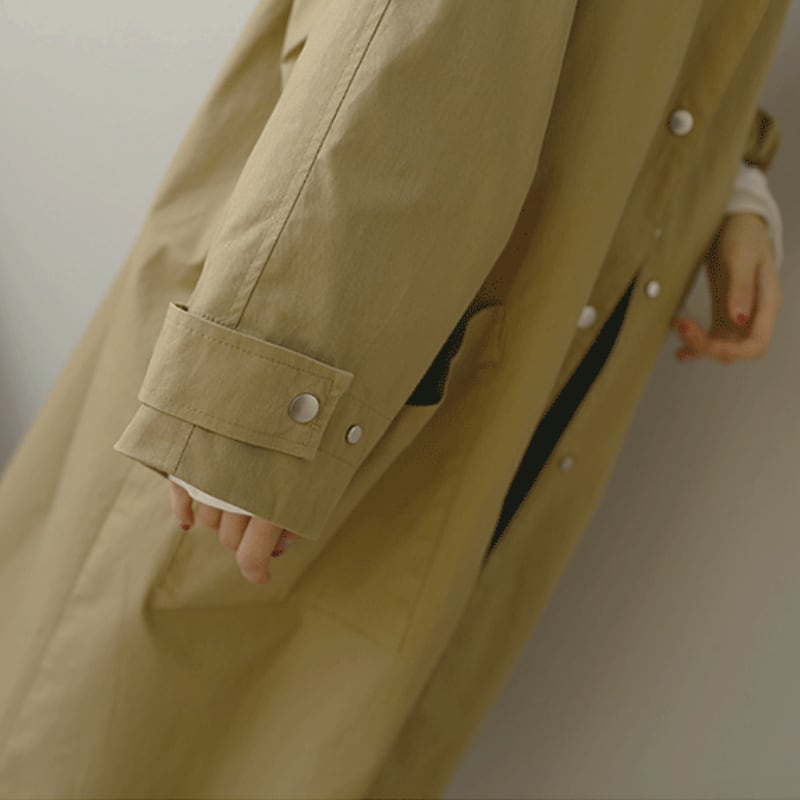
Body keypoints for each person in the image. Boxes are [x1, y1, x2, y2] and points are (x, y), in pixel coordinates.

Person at [0, 1, 790, 797]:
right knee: (115, 732)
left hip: (519, 339)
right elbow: (413, 32)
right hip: (324, 335)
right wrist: (266, 384)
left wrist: (731, 183)